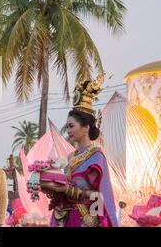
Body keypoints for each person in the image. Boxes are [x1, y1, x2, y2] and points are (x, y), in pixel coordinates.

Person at [41, 74, 118, 227]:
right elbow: (63, 187)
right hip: (63, 217)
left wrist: (67, 190)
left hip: (85, 219)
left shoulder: (96, 156)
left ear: (85, 128)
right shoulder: (70, 156)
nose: (68, 130)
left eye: (71, 126)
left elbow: (99, 197)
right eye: (67, 126)